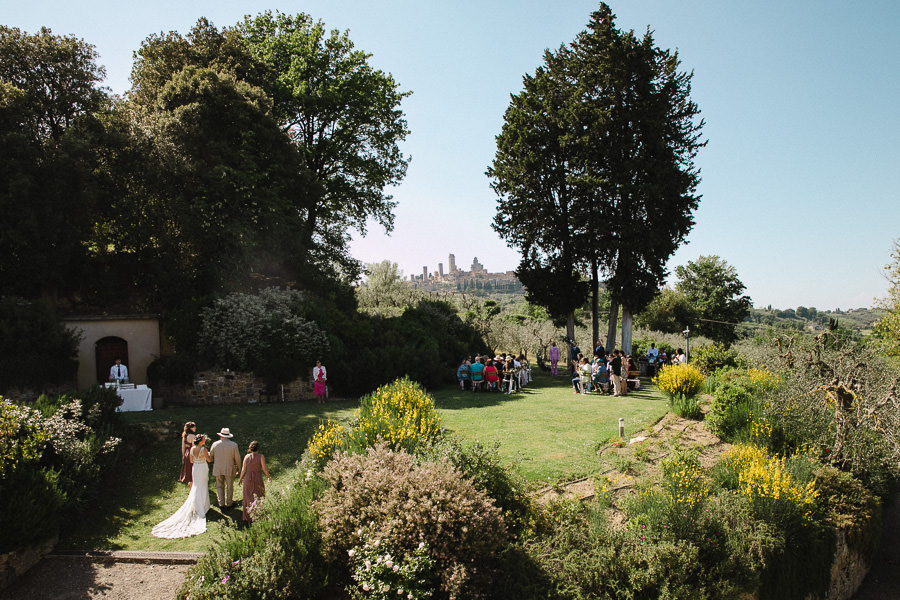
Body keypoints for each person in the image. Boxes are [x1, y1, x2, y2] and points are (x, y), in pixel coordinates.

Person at [152, 434, 211, 538]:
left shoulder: (192, 449)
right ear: (200, 441)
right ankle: (203, 506)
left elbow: (191, 461)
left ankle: (198, 504)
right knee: (203, 486)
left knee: (197, 486)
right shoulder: (204, 449)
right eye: (203, 440)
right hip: (202, 468)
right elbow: (209, 460)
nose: (205, 441)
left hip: (196, 468)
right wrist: (210, 454)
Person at [238, 440, 271, 523]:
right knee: (258, 494)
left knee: (248, 495)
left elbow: (243, 469)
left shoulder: (246, 457)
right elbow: (264, 469)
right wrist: (268, 477)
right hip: (257, 477)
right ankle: (258, 514)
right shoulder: (261, 456)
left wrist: (240, 479)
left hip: (248, 477)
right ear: (258, 448)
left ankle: (248, 516)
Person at [209, 427, 242, 510]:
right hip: (229, 468)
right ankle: (229, 503)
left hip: (218, 468)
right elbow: (237, 458)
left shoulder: (215, 444)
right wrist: (239, 468)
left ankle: (221, 503)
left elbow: (211, 456)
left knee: (219, 486)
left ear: (221, 435)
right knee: (229, 486)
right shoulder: (233, 445)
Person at [179, 422, 197, 486]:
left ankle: (189, 481)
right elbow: (194, 447)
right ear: (191, 428)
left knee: (188, 468)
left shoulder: (184, 436)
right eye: (194, 427)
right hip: (191, 453)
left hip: (186, 453)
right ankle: (192, 483)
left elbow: (183, 447)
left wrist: (183, 455)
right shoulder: (193, 436)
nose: (195, 428)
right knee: (193, 468)